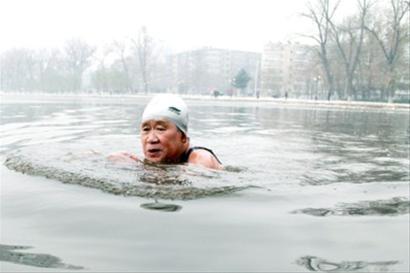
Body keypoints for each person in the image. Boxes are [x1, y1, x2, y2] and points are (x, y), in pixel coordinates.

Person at [108, 94, 222, 170]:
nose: (151, 139)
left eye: (160, 129)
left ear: (183, 137)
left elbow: (194, 184)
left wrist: (142, 169)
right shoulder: (164, 158)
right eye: (146, 129)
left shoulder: (201, 158)